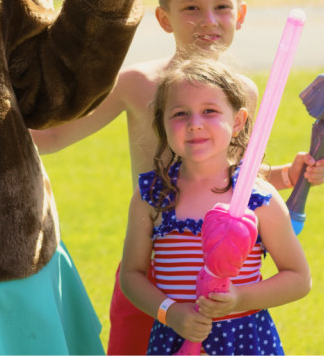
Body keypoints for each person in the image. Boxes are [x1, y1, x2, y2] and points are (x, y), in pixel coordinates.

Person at [31, 0, 324, 355]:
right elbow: (53, 137)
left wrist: (286, 175)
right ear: (164, 18)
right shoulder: (138, 84)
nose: (208, 20)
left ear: (240, 16)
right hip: (156, 270)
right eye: (190, 8)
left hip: (225, 278)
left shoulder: (242, 91)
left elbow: (241, 176)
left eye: (222, 7)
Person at [120, 57, 310, 354]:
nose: (195, 124)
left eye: (209, 111)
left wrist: (239, 299)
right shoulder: (152, 195)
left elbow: (298, 278)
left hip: (243, 341)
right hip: (175, 338)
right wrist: (170, 312)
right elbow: (131, 276)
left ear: (237, 121)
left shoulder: (258, 197)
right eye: (180, 114)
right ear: (162, 124)